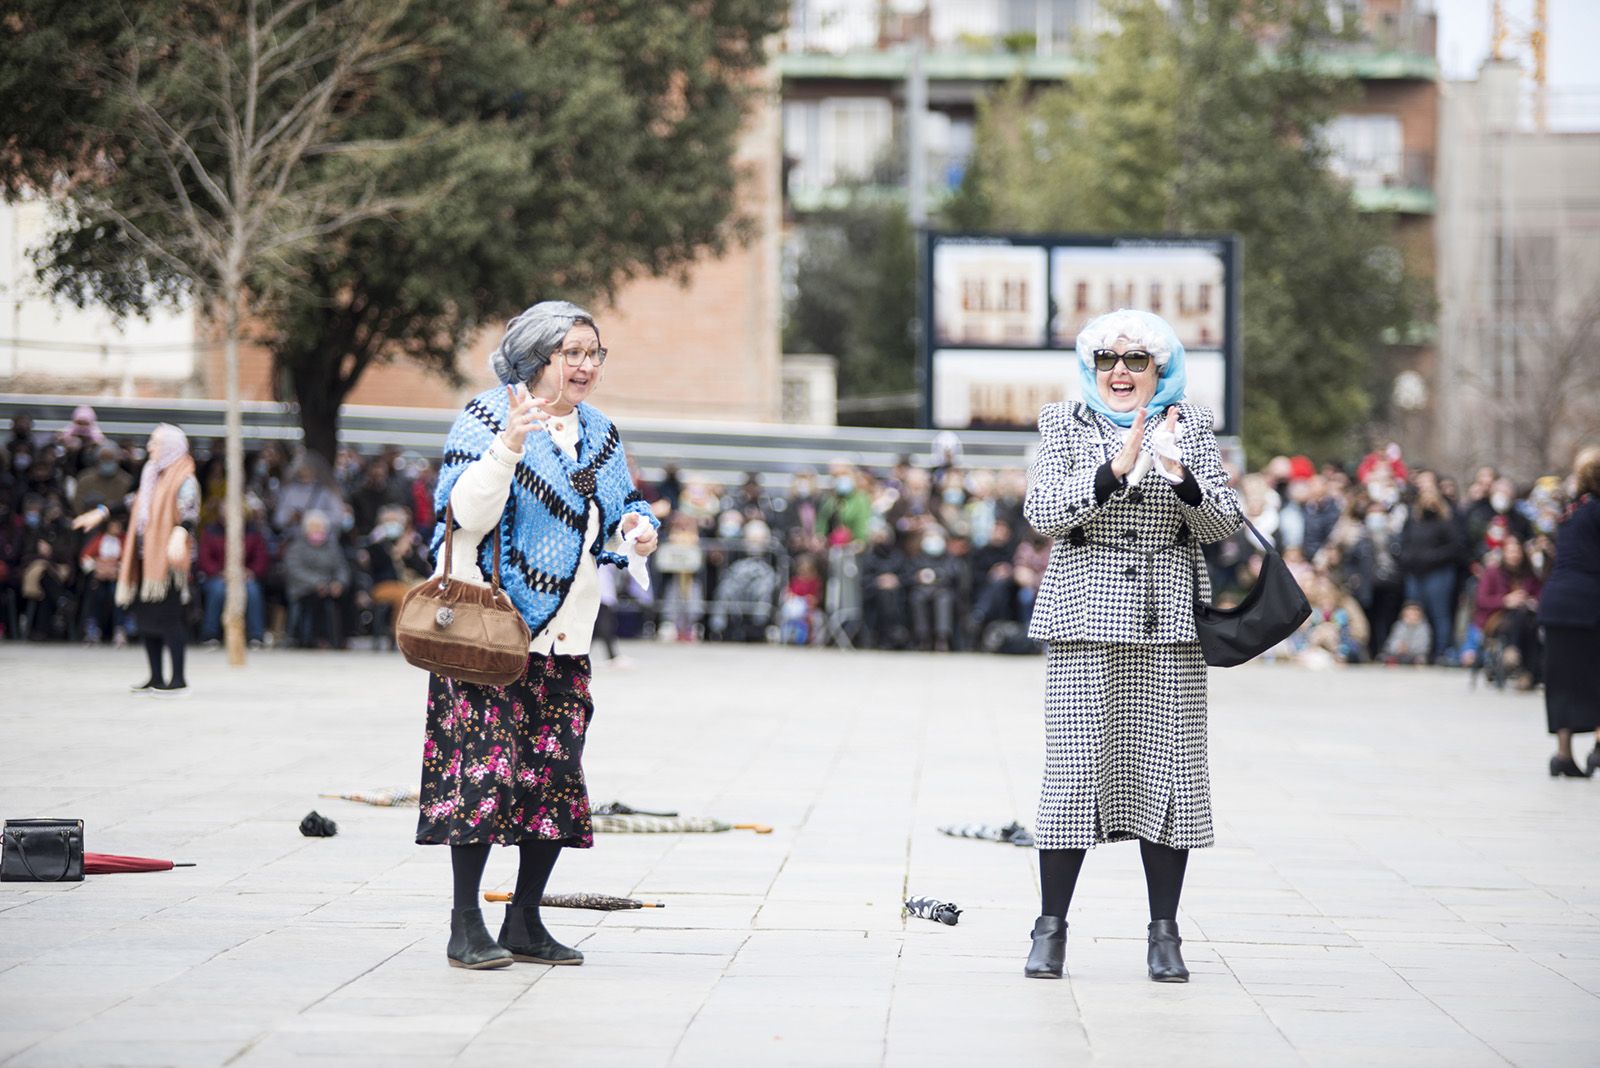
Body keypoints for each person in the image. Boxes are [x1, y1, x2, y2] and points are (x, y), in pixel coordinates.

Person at [419, 301, 659, 970]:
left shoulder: (600, 432)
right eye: (572, 352)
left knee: (552, 780)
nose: (585, 366)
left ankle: (524, 920)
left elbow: (620, 509)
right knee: (483, 774)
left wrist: (637, 533)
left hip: (564, 640)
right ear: (536, 356)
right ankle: (465, 922)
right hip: (490, 637)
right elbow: (464, 513)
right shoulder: (489, 416)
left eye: (594, 353)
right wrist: (509, 448)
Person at [1021, 308, 1241, 984]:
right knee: (1072, 774)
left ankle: (1164, 933)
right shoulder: (1063, 423)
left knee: (1168, 773)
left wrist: (1180, 476)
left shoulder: (1192, 424)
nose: (1120, 371)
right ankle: (1050, 928)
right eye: (1106, 360)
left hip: (1166, 615)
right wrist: (1115, 468)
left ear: (1161, 368)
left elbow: (1221, 523)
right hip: (1084, 614)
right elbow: (1043, 511)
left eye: (1136, 359)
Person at [72, 424, 199, 693]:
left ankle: (177, 679)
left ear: (170, 446)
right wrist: (102, 513)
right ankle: (155, 677)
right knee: (146, 619)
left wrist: (179, 533)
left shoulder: (184, 477)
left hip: (168, 561)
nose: (150, 447)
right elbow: (132, 503)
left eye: (155, 442)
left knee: (169, 618)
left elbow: (189, 513)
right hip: (144, 558)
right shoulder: (153, 475)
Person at [1536, 446, 1600, 778]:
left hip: (1557, 602)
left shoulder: (1571, 512)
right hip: (1589, 602)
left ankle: (1563, 754)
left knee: (1561, 679)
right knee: (1595, 672)